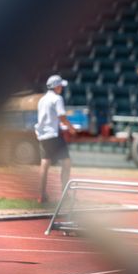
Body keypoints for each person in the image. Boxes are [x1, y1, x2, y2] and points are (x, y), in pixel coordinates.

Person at [35, 74, 77, 203]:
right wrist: (71, 128)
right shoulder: (57, 99)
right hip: (53, 134)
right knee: (66, 163)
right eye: (61, 86)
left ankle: (42, 195)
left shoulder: (42, 99)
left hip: (42, 134)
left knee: (44, 164)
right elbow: (62, 116)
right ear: (57, 87)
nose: (62, 89)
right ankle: (65, 193)